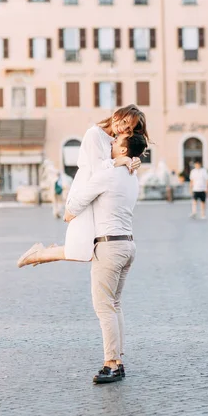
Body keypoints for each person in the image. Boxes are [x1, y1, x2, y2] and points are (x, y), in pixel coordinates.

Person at [17, 105, 149, 267]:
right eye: (124, 122)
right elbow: (97, 170)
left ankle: (43, 253)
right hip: (87, 188)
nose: (123, 129)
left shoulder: (117, 140)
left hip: (101, 194)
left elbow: (120, 158)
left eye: (129, 129)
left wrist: (132, 158)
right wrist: (120, 160)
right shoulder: (93, 134)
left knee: (89, 250)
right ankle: (40, 254)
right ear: (116, 115)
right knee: (84, 251)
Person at [64, 132, 148, 384]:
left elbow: (78, 200)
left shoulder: (108, 174)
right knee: (115, 304)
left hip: (109, 246)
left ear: (124, 151)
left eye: (116, 142)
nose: (111, 143)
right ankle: (118, 361)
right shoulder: (133, 177)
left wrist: (68, 215)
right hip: (127, 244)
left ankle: (110, 363)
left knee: (104, 307)